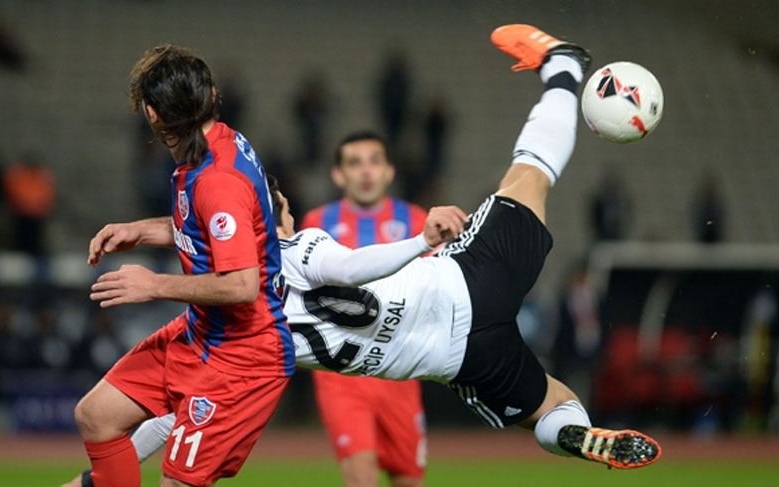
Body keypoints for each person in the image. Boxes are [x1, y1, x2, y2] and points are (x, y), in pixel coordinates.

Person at [65, 24, 662, 487]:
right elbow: (349, 266)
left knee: (549, 408)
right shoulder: (296, 245)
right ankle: (562, 69)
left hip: (455, 357)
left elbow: (169, 413)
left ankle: (576, 433)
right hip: (464, 282)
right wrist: (423, 243)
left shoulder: (253, 328)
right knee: (530, 174)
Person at [72, 45, 293, 487]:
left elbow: (242, 285)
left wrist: (154, 285)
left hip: (242, 355)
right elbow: (216, 226)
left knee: (175, 483)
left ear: (153, 116)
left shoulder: (217, 179)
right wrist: (146, 230)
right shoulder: (216, 144)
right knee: (96, 415)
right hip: (202, 331)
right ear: (212, 95)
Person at [300, 131, 429, 487]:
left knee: (409, 479)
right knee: (361, 478)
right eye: (354, 163)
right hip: (340, 372)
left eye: (374, 161)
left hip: (401, 370)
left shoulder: (416, 222)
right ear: (338, 175)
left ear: (389, 171)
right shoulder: (316, 224)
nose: (365, 172)